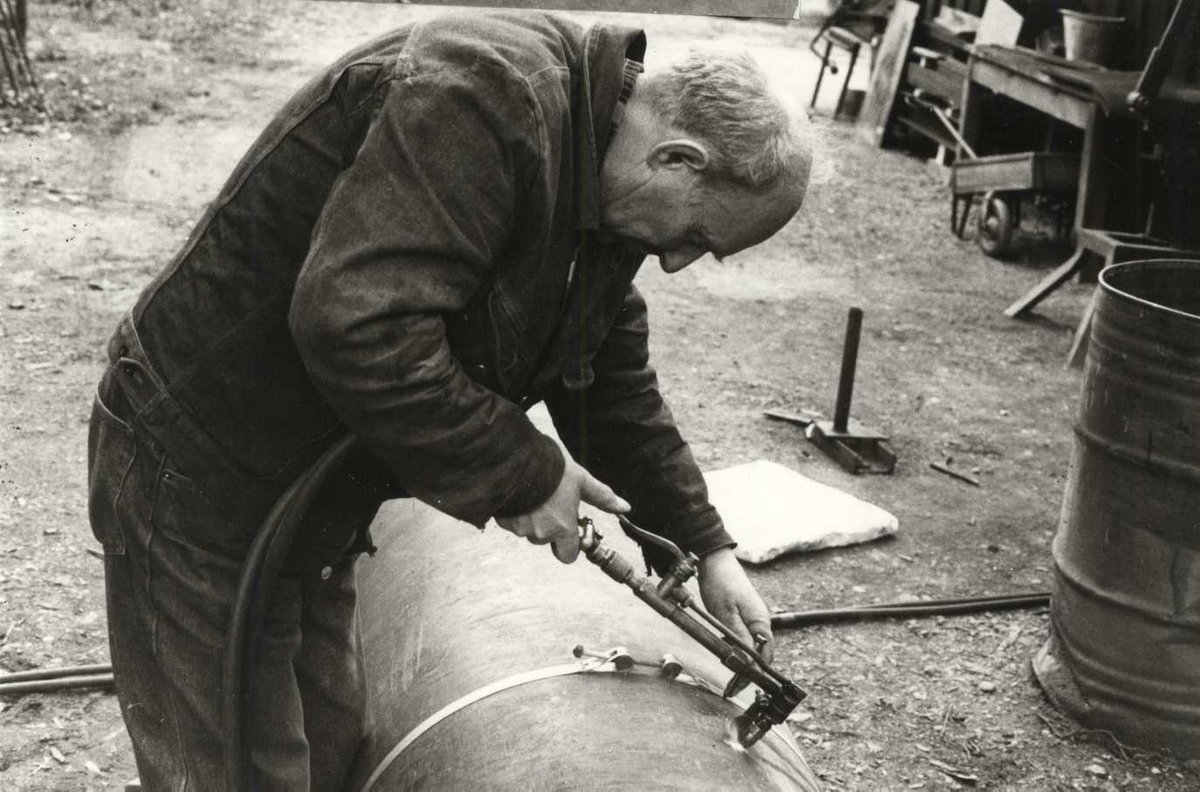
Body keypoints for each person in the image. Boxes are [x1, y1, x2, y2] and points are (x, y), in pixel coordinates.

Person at [86, 9, 811, 789]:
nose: (674, 264)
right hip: (205, 460)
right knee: (237, 768)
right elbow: (359, 322)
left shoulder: (601, 176)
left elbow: (604, 380)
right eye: (697, 237)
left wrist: (705, 545)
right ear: (676, 157)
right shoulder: (482, 95)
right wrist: (523, 473)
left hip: (314, 477)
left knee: (330, 747)